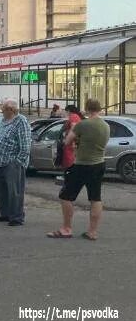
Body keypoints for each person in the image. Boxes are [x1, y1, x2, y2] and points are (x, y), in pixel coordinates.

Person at [47, 99, 110, 240]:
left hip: (82, 164)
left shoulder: (83, 124)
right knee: (95, 197)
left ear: (87, 108)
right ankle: (92, 232)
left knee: (66, 196)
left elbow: (67, 141)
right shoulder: (106, 126)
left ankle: (66, 228)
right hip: (99, 163)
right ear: (99, 108)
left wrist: (75, 142)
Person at [0, 98, 31, 226]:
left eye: (3, 109)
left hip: (12, 162)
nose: (2, 111)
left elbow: (26, 144)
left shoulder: (20, 121)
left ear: (10, 110)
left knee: (14, 191)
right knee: (0, 190)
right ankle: (5, 214)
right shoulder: (4, 121)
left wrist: (18, 161)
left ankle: (16, 217)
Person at [58, 105, 84, 169]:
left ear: (68, 111)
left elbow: (73, 129)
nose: (64, 112)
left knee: (69, 160)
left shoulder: (73, 117)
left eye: (65, 111)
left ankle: (69, 174)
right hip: (73, 142)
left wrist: (67, 139)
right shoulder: (76, 116)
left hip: (70, 143)